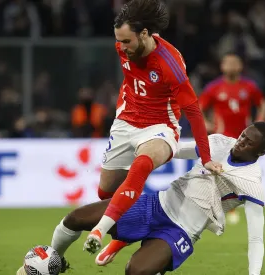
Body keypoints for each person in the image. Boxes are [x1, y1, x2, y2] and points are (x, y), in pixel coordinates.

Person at [15, 122, 265, 275]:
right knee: (76, 218)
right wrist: (146, 153)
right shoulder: (219, 143)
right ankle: (55, 262)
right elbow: (177, 152)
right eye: (243, 135)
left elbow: (256, 237)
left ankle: (135, 249)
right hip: (155, 205)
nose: (240, 142)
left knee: (135, 271)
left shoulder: (251, 183)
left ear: (261, 151)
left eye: (248, 142)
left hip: (182, 231)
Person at [85, 0, 222, 257]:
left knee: (142, 164)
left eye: (127, 41)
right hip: (127, 121)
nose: (122, 48)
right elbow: (130, 82)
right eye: (119, 41)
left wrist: (206, 158)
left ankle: (100, 232)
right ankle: (131, 232)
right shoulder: (123, 47)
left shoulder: (170, 65)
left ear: (145, 34)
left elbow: (193, 112)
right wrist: (120, 114)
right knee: (105, 191)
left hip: (160, 125)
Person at [199, 52, 265, 224]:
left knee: (243, 173)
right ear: (222, 66)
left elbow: (263, 105)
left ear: (240, 66)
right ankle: (220, 208)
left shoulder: (249, 86)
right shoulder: (214, 88)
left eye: (234, 62)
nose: (231, 66)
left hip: (244, 141)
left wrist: (259, 125)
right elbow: (198, 109)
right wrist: (206, 125)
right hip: (222, 139)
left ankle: (237, 205)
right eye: (227, 63)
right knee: (221, 174)